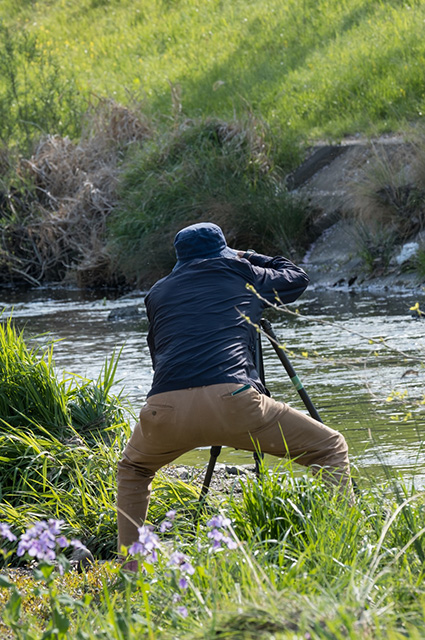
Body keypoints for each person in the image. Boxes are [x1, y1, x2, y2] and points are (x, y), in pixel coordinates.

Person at [117, 222, 353, 552]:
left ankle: (130, 565)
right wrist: (247, 256)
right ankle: (343, 543)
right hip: (235, 401)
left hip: (163, 408)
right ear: (224, 251)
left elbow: (159, 353)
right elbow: (296, 276)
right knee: (330, 448)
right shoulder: (242, 271)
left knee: (133, 469)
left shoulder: (157, 293)